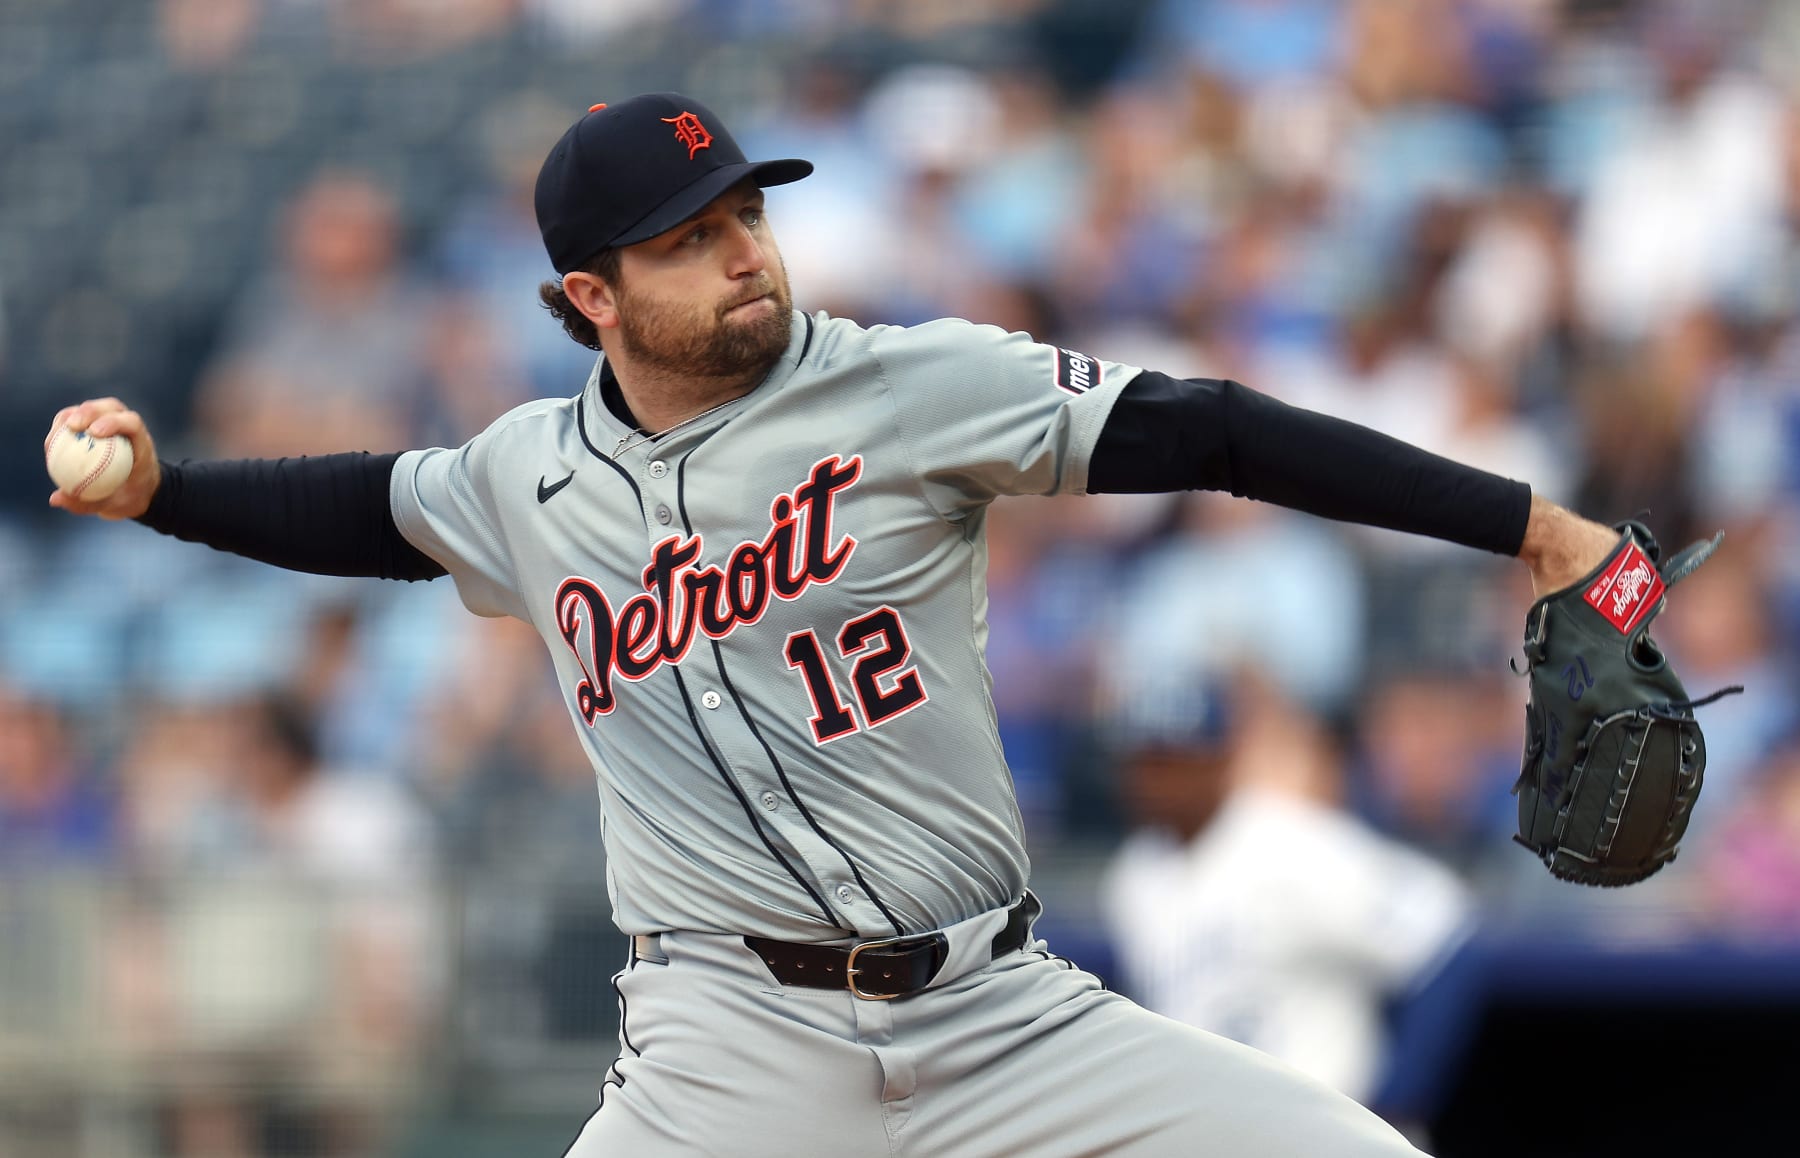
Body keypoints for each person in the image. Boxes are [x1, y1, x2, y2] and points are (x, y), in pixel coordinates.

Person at [48, 91, 1623, 1157]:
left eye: (747, 213)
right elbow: (354, 507)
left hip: (1002, 1010)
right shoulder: (522, 476)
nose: (745, 254)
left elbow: (1211, 427)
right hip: (727, 1038)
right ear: (591, 297)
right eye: (690, 239)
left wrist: (1532, 524)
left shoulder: (906, 384)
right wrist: (162, 489)